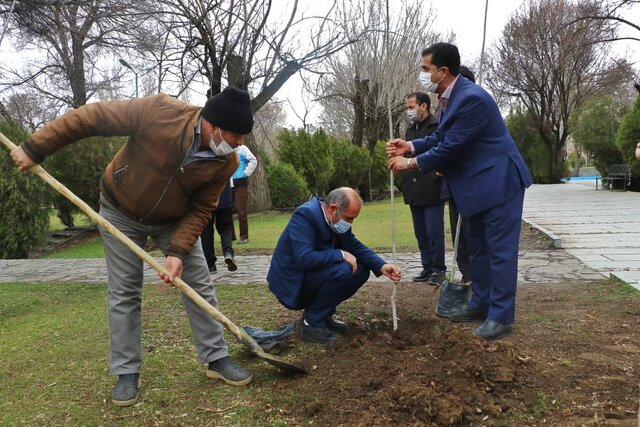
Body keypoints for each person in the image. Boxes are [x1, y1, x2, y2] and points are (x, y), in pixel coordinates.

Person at [10, 87, 255, 406]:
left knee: (199, 285)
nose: (239, 143)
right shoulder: (160, 112)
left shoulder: (226, 162)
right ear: (212, 125)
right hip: (120, 208)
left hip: (174, 218)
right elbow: (90, 118)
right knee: (124, 291)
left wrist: (177, 251)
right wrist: (36, 147)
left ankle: (217, 359)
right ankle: (127, 372)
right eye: (235, 135)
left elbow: (201, 209)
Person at [387, 42, 533, 341]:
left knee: (500, 253)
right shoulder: (448, 97)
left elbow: (452, 148)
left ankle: (501, 317)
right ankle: (480, 304)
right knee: (476, 250)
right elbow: (442, 135)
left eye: (426, 69)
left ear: (443, 71)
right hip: (476, 188)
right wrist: (411, 144)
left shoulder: (472, 98)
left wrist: (410, 163)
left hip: (499, 184)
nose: (422, 74)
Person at [267, 187, 402, 344]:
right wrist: (341, 255)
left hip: (312, 275)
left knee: (361, 269)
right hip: (293, 282)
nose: (350, 223)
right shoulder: (305, 215)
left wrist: (381, 266)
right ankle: (311, 324)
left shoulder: (335, 219)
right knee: (343, 269)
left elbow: (353, 244)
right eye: (349, 218)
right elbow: (304, 258)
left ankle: (321, 315)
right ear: (333, 209)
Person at [400, 92, 446, 285]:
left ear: (424, 106)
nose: (409, 111)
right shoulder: (410, 131)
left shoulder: (437, 127)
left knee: (434, 232)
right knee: (420, 232)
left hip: (431, 188)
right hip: (413, 189)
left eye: (411, 107)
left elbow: (442, 152)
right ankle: (427, 267)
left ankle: (438, 269)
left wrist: (438, 176)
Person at [201, 181, 237, 273]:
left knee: (206, 230)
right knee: (226, 227)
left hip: (205, 195)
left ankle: (210, 264)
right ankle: (228, 251)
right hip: (224, 193)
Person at [231, 144, 257, 244]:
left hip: (240, 183)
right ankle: (230, 236)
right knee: (226, 210)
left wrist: (245, 173)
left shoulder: (242, 149)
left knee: (241, 210)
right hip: (227, 183)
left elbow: (253, 160)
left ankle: (244, 236)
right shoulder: (225, 148)